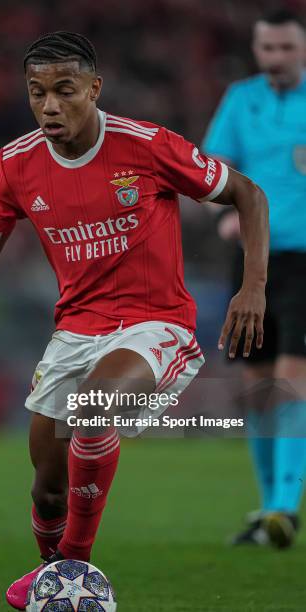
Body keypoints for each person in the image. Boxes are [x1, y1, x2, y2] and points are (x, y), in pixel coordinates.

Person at [0, 32, 268, 610]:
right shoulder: (14, 165)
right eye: (37, 93)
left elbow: (248, 194)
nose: (50, 105)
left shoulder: (146, 145)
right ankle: (52, 575)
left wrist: (251, 287)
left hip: (156, 323)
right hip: (75, 332)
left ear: (93, 88)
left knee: (96, 406)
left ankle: (75, 572)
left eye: (64, 90)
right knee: (49, 489)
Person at [203, 9, 306, 549]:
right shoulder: (242, 99)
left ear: (303, 48)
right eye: (268, 49)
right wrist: (222, 208)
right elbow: (213, 167)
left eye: (286, 48)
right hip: (251, 261)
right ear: (256, 49)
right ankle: (269, 508)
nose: (276, 59)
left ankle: (286, 507)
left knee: (293, 379)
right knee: (258, 388)